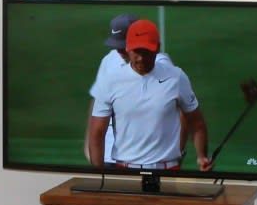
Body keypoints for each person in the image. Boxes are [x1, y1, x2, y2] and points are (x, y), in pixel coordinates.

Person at [86, 19, 211, 171]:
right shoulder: (110, 81)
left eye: (146, 52)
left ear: (157, 48)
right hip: (124, 172)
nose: (141, 58)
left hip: (167, 171)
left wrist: (202, 156)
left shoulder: (176, 77)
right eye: (136, 52)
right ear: (127, 48)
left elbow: (196, 123)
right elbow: (97, 133)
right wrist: (100, 175)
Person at [89, 13, 178, 161]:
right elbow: (97, 105)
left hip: (142, 159)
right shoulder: (108, 60)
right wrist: (90, 144)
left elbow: (179, 109)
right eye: (116, 46)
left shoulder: (161, 64)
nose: (119, 51)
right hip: (110, 156)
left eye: (122, 47)